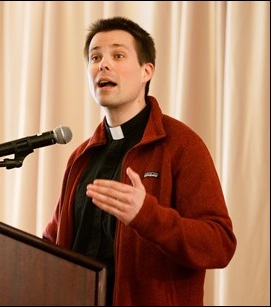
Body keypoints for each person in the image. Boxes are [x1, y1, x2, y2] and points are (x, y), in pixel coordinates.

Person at [43, 16, 237, 306]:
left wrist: (146, 215)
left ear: (147, 71)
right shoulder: (81, 157)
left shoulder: (181, 145)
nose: (103, 65)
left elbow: (220, 244)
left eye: (118, 55)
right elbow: (53, 241)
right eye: (95, 57)